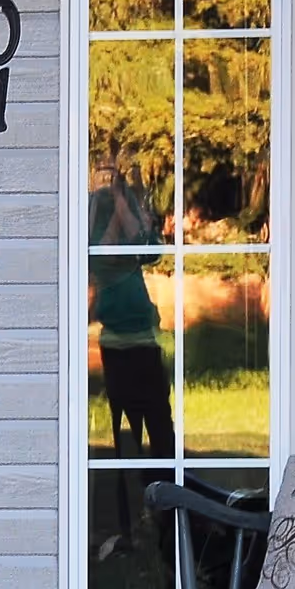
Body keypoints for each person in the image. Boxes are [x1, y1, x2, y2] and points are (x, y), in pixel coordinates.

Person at [88, 159, 175, 458]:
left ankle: (165, 496)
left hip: (145, 342)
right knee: (127, 433)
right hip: (116, 347)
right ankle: (128, 497)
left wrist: (124, 198)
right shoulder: (96, 219)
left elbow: (147, 247)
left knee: (161, 425)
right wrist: (116, 202)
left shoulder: (128, 216)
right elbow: (110, 251)